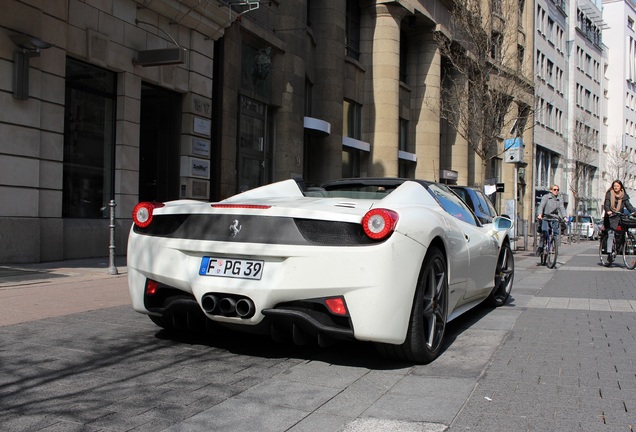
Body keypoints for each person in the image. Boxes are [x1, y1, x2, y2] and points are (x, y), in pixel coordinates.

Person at [602, 180, 635, 263]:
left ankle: (620, 247)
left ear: (621, 187)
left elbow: (628, 205)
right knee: (611, 234)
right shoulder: (609, 193)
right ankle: (609, 253)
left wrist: (633, 212)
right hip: (610, 217)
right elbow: (606, 204)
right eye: (614, 186)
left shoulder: (624, 196)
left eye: (617, 186)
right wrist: (608, 211)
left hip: (619, 216)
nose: (616, 187)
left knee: (622, 233)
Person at [536, 185, 566, 257]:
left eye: (557, 190)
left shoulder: (559, 199)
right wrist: (540, 214)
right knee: (544, 231)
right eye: (555, 189)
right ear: (551, 190)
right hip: (545, 217)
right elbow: (541, 206)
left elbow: (562, 208)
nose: (556, 191)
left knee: (555, 233)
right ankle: (540, 247)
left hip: (554, 217)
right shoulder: (546, 197)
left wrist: (565, 217)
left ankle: (554, 246)